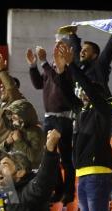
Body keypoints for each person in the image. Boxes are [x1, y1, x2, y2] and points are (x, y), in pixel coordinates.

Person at [55, 41, 112, 211]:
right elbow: (67, 95)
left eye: (88, 91)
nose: (82, 93)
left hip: (98, 174)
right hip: (83, 175)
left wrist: (73, 67)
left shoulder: (105, 109)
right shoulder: (83, 111)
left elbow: (88, 88)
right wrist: (62, 72)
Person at [27, 45, 76, 203]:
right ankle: (58, 189)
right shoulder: (50, 72)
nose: (55, 61)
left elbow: (57, 79)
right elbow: (37, 84)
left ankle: (69, 192)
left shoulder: (67, 73)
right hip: (49, 119)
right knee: (50, 156)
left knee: (66, 159)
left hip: (63, 119)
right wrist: (33, 65)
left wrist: (43, 62)